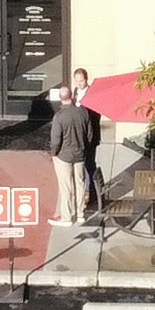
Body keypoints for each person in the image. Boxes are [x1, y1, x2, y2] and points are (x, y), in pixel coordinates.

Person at [50, 68, 100, 218]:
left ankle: (91, 196)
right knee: (78, 177)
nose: (79, 83)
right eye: (77, 80)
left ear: (86, 79)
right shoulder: (75, 93)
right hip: (76, 137)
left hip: (85, 139)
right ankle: (79, 208)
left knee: (88, 167)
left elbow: (93, 121)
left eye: (81, 80)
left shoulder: (92, 94)